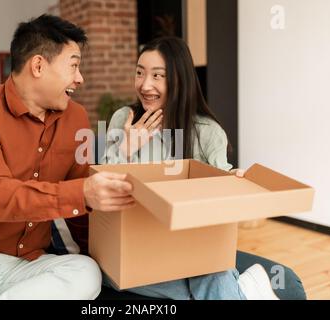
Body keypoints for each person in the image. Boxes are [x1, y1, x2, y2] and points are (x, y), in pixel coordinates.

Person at [0, 14, 134, 300]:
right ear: (39, 65)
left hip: (29, 264)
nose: (80, 78)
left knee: (85, 271)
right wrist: (82, 194)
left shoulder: (76, 117)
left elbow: (83, 202)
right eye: (74, 66)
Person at [97, 36, 306, 300]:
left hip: (190, 247)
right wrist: (125, 149)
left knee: (212, 273)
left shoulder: (207, 133)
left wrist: (235, 181)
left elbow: (222, 194)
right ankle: (246, 289)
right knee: (108, 275)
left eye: (157, 75)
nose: (145, 84)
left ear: (179, 80)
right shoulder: (123, 120)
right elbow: (100, 188)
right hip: (137, 246)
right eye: (139, 72)